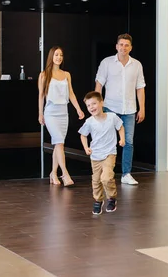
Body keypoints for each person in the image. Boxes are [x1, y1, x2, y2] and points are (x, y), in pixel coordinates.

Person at [95, 33, 145, 185]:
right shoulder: (107, 63)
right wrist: (97, 106)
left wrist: (142, 109)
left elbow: (140, 88)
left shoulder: (136, 65)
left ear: (130, 48)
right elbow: (99, 85)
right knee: (108, 141)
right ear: (116, 46)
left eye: (126, 45)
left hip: (129, 109)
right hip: (110, 108)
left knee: (128, 142)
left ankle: (126, 174)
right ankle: (105, 172)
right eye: (121, 44)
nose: (123, 47)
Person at [38, 46, 84, 186]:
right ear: (51, 56)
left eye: (61, 55)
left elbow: (71, 93)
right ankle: (65, 173)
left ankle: (53, 173)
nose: (59, 57)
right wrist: (40, 113)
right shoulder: (44, 74)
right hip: (51, 113)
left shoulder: (66, 74)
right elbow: (41, 95)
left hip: (63, 112)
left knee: (58, 144)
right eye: (56, 55)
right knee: (59, 143)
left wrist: (78, 109)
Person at [79, 91, 125, 215]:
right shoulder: (89, 122)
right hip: (95, 155)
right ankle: (98, 200)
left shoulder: (112, 117)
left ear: (101, 103)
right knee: (96, 180)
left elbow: (120, 126)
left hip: (109, 153)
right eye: (88, 105)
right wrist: (86, 147)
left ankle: (111, 198)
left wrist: (122, 139)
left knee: (106, 178)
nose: (91, 107)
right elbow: (83, 135)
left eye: (94, 103)